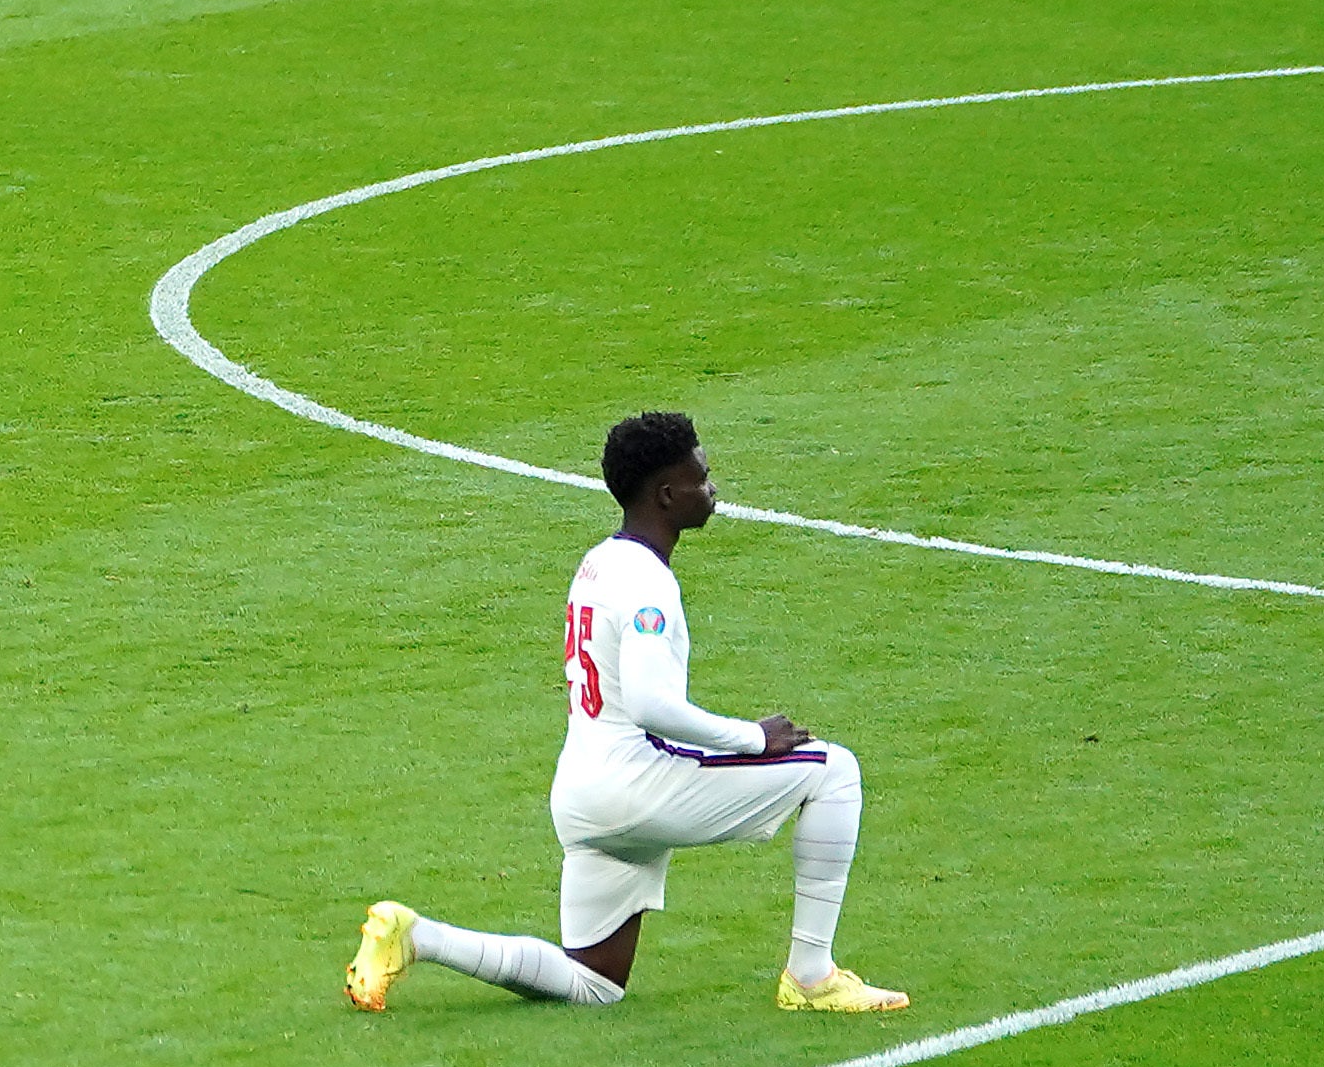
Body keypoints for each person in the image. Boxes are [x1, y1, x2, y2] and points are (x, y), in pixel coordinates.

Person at [343, 412, 907, 1019]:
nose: (712, 489)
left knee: (594, 982)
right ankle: (812, 975)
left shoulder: (598, 562)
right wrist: (753, 739)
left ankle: (416, 936)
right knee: (833, 771)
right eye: (702, 478)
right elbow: (649, 705)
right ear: (667, 494)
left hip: (583, 793)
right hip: (635, 787)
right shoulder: (646, 583)